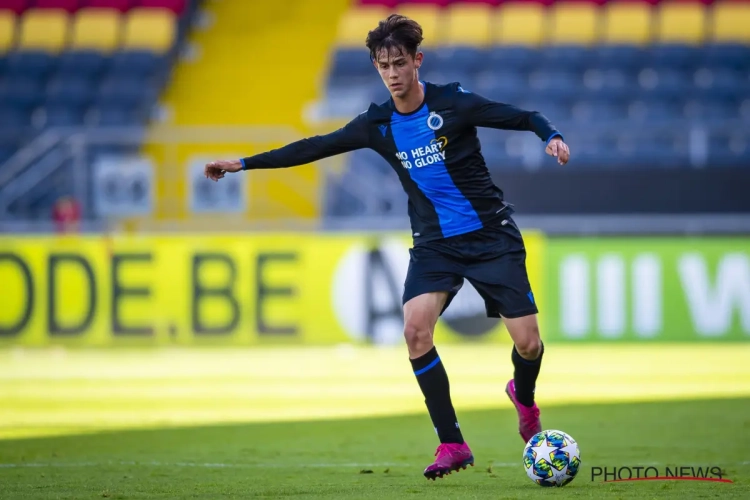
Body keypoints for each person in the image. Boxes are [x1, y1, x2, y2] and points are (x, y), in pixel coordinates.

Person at [205, 14, 570, 481]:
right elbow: (315, 146)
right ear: (376, 68)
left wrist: (550, 136)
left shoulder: (454, 103)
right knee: (415, 331)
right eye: (384, 66)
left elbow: (522, 116)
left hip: (490, 237)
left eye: (400, 63)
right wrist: (243, 163)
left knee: (529, 344)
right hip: (434, 245)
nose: (393, 74)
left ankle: (523, 397)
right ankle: (452, 443)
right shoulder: (376, 123)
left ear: (418, 61)